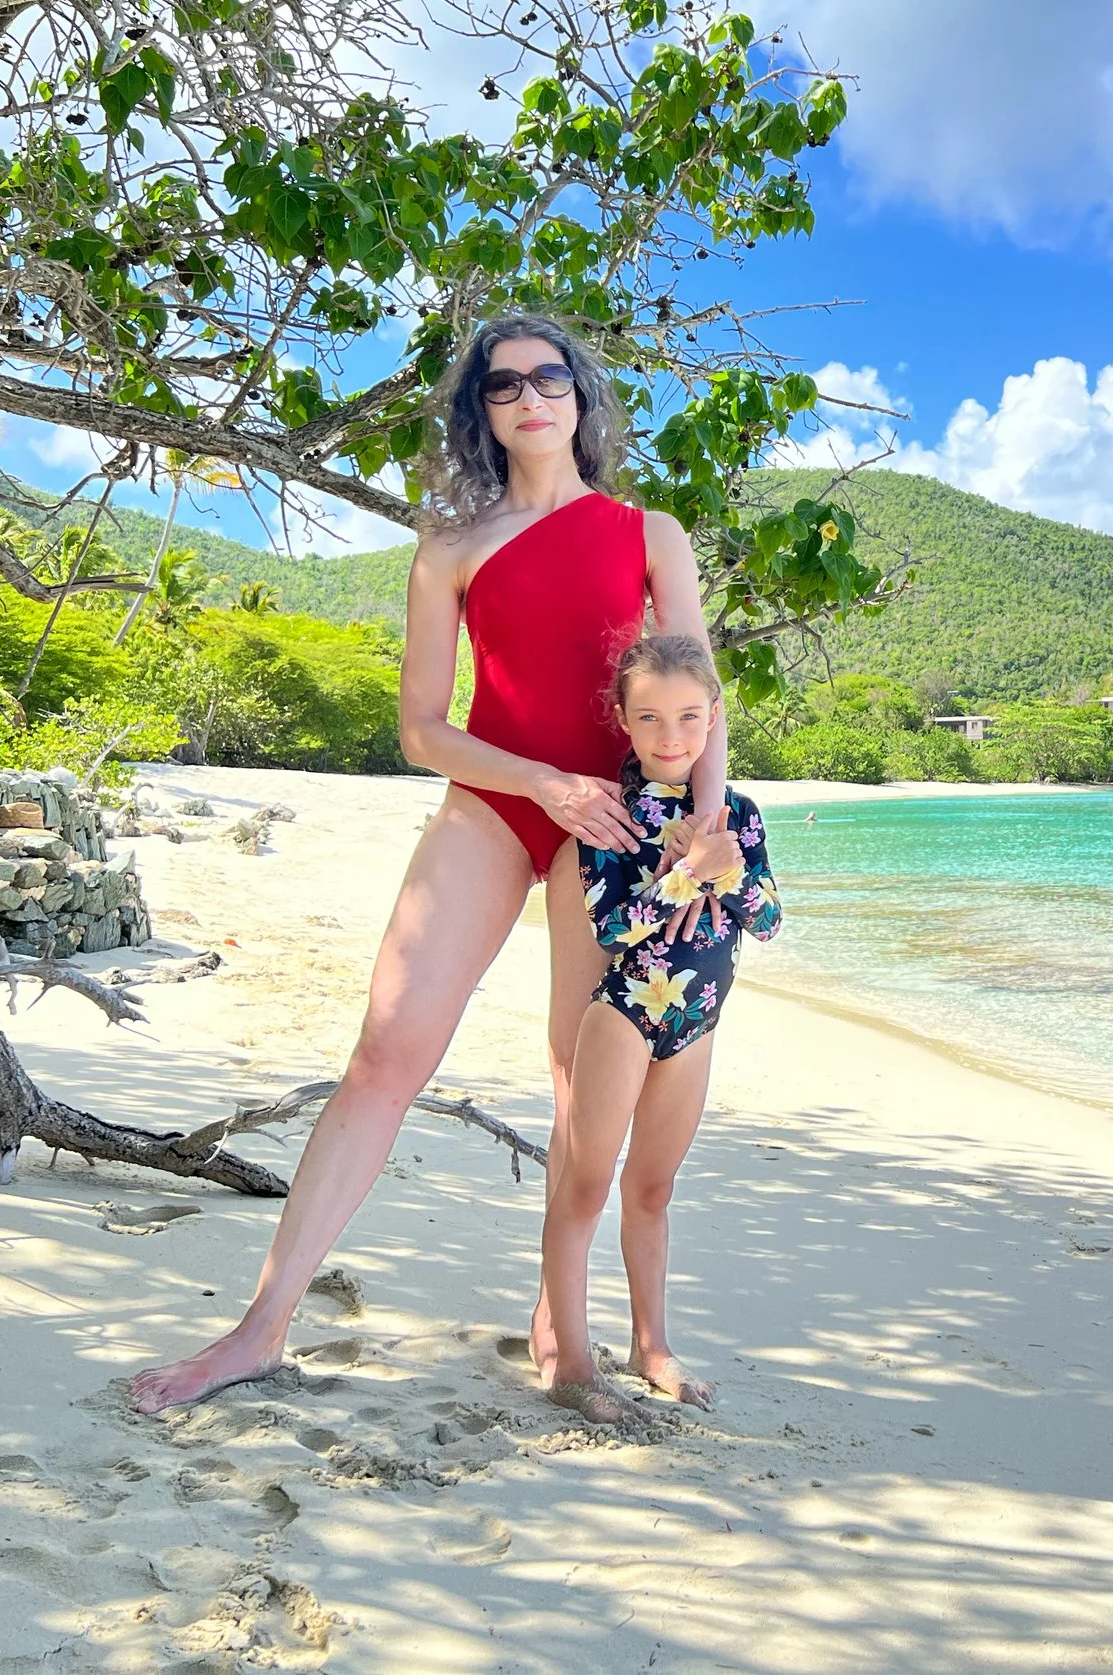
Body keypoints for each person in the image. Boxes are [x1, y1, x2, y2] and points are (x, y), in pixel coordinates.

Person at [126, 315, 725, 1414]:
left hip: (620, 830)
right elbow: (420, 731)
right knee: (385, 1055)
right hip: (496, 807)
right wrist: (540, 783)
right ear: (481, 415)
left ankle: (564, 1329)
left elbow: (699, 693)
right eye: (504, 387)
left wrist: (709, 820)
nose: (531, 398)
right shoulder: (450, 550)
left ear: (582, 398)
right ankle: (258, 1329)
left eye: (552, 378)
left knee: (574, 1082)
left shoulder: (651, 531)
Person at [540, 634, 780, 1418]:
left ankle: (653, 1347)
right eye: (649, 717)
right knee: (585, 1185)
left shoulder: (736, 815)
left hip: (698, 1026)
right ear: (623, 721)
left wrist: (726, 865)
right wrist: (682, 872)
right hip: (624, 1016)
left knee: (653, 1188)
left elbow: (769, 917)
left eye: (686, 715)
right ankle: (572, 1360)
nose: (670, 735)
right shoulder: (609, 814)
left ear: (713, 716)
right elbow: (614, 927)